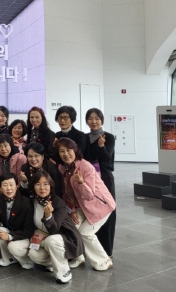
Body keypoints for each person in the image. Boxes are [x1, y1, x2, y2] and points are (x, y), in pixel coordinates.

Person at [58, 137, 115, 271]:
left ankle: (104, 260)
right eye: (62, 151)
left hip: (100, 206)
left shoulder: (85, 166)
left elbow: (89, 196)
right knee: (71, 227)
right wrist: (71, 210)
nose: (66, 154)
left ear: (75, 150)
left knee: (85, 233)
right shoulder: (62, 168)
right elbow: (67, 193)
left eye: (68, 150)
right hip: (81, 207)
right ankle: (78, 257)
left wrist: (80, 183)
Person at [27, 171, 85, 284]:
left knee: (51, 240)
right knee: (32, 254)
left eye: (46, 184)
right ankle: (54, 262)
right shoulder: (32, 202)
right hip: (44, 237)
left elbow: (55, 230)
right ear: (33, 186)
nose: (42, 188)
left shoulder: (58, 202)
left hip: (66, 239)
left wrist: (48, 216)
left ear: (51, 185)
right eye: (38, 184)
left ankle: (64, 271)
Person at [83, 108, 116, 258]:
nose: (94, 121)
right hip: (88, 179)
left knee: (107, 211)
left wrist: (102, 146)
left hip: (104, 179)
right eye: (90, 118)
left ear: (102, 120)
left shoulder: (108, 137)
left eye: (97, 118)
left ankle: (107, 251)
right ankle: (90, 249)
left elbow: (107, 160)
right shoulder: (84, 138)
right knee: (90, 211)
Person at [0, 173, 34, 269]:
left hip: (24, 236)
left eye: (11, 184)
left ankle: (27, 260)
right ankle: (8, 258)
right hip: (11, 230)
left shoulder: (26, 202)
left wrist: (9, 236)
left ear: (16, 186)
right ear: (0, 188)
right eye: (5, 185)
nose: (9, 188)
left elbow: (29, 231)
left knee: (13, 247)